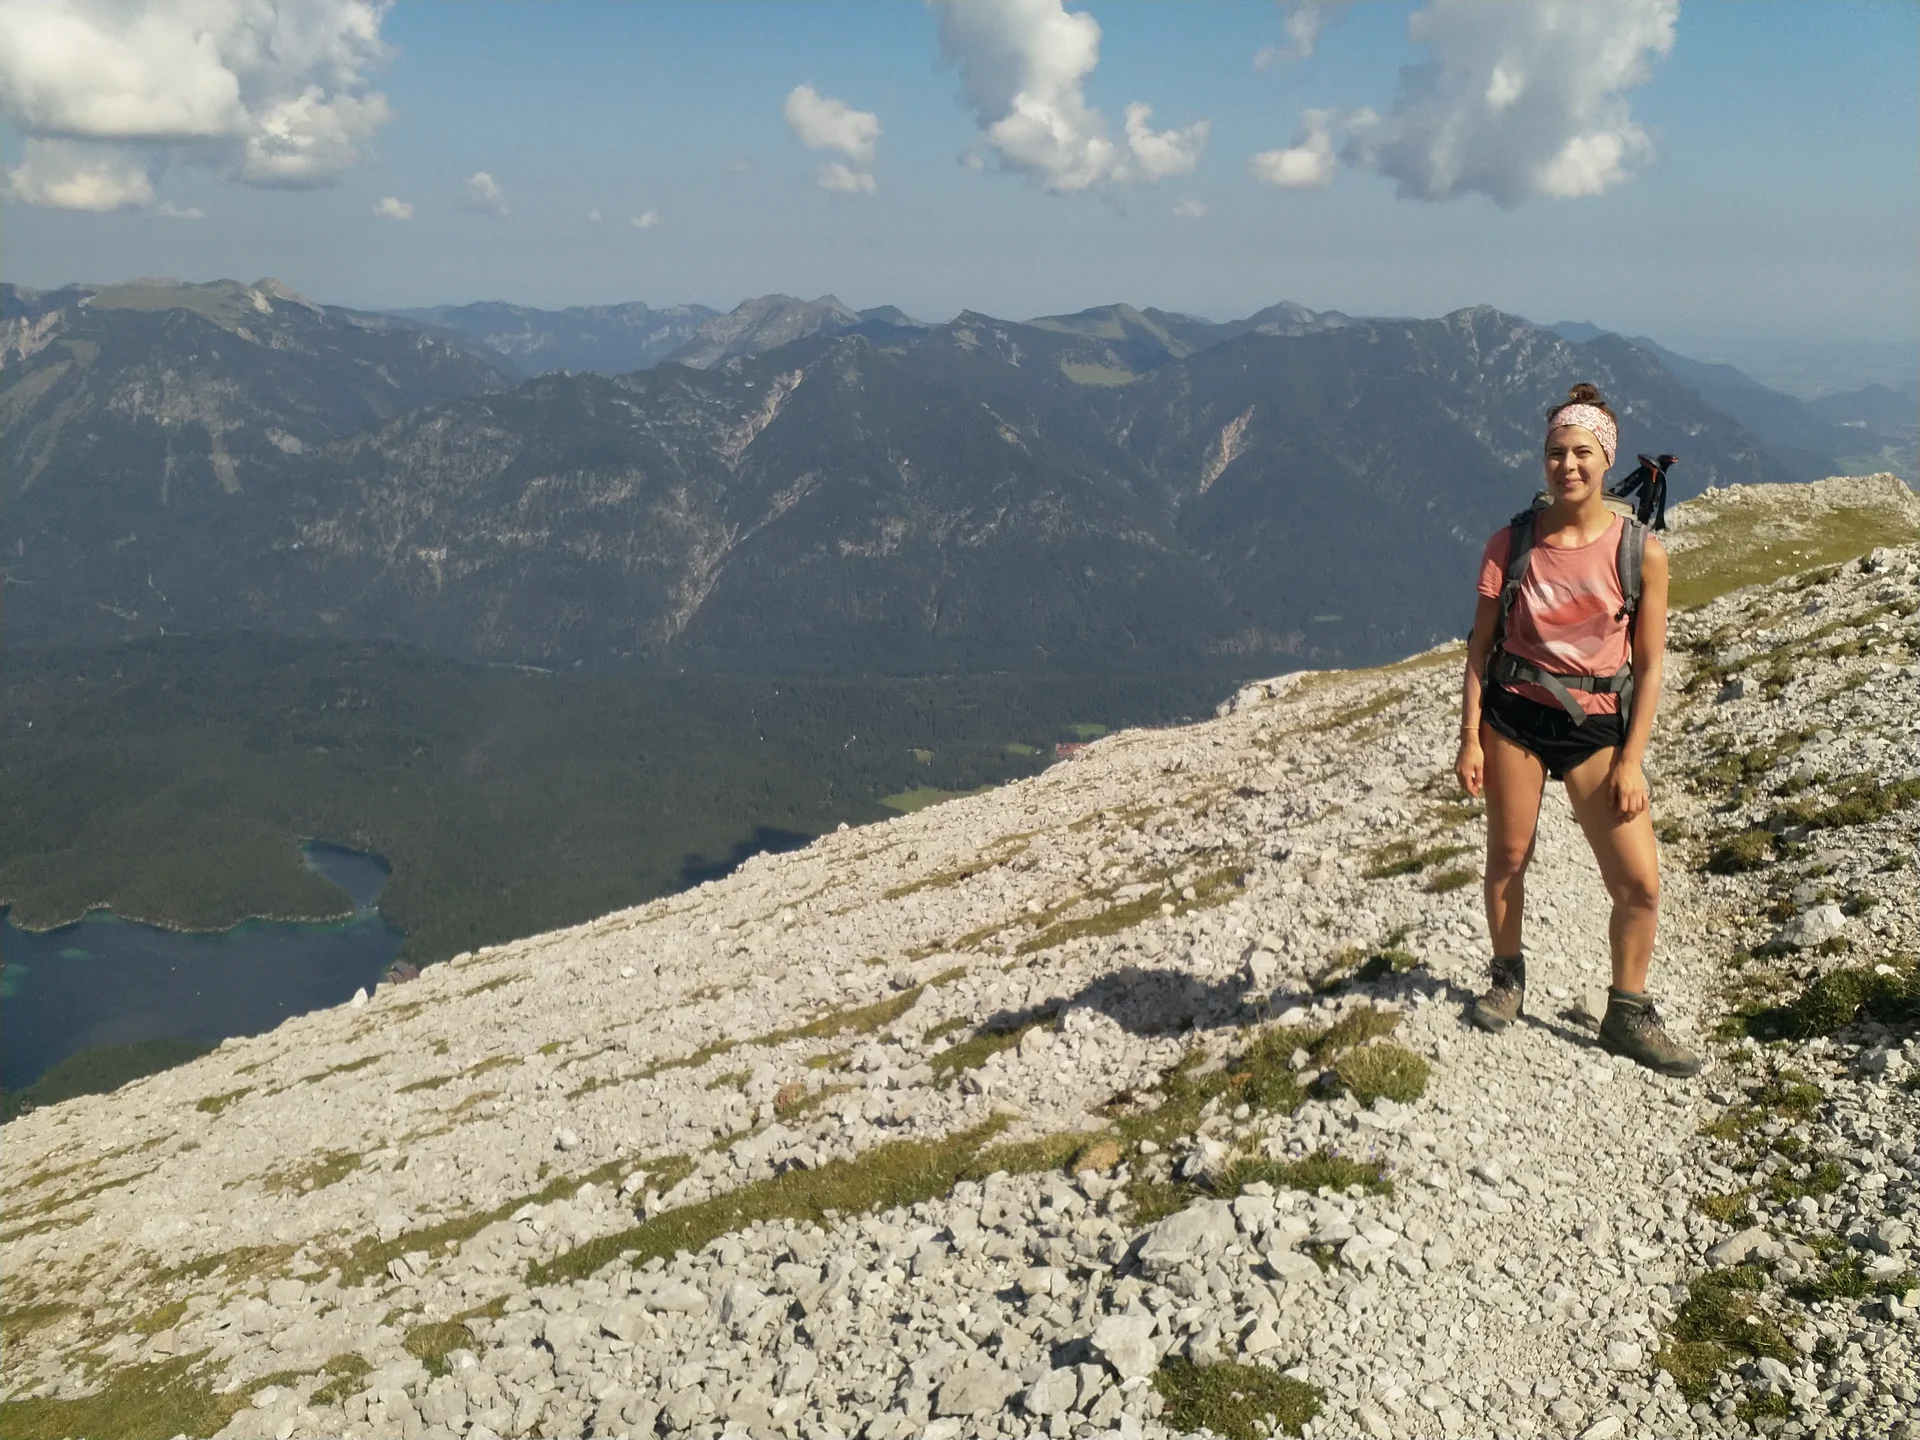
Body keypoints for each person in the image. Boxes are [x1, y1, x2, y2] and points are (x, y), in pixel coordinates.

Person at [1455, 383, 1702, 1077]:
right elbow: (1479, 646)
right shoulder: (1511, 542)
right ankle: (1506, 977)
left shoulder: (1641, 552)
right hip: (1515, 716)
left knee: (1640, 884)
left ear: (1606, 458)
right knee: (1508, 856)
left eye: (1582, 453)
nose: (1567, 465)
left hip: (1597, 728)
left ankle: (1627, 1012)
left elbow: (1649, 665)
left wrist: (1632, 759)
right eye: (1557, 452)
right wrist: (1470, 734)